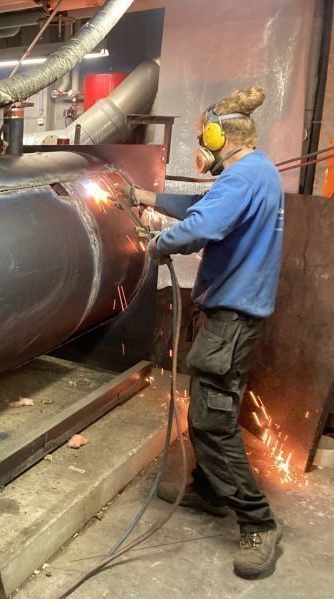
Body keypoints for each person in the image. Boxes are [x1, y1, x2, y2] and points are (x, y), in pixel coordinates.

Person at [127, 86, 285, 579]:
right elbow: (201, 204)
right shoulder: (254, 173)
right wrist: (145, 196)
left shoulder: (241, 180)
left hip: (231, 318)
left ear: (219, 136)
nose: (202, 147)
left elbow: (199, 228)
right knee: (207, 412)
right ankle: (211, 490)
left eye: (203, 137)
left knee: (214, 421)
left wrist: (154, 242)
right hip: (233, 313)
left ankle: (258, 523)